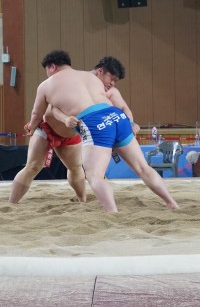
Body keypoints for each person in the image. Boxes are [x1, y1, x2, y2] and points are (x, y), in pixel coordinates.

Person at [26, 50, 179, 213]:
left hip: (94, 122)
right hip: (117, 117)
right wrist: (131, 123)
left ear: (52, 67)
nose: (112, 83)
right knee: (143, 168)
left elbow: (39, 113)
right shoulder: (90, 78)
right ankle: (171, 202)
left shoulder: (47, 85)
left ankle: (112, 211)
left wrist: (32, 127)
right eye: (111, 78)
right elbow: (122, 107)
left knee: (94, 176)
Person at [9, 56, 137, 204]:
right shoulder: (77, 79)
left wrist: (131, 123)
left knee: (76, 167)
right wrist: (62, 119)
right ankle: (12, 203)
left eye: (115, 81)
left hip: (73, 133)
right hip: (48, 127)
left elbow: (123, 108)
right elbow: (52, 106)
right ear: (101, 71)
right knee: (33, 166)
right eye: (111, 79)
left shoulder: (110, 91)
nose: (112, 84)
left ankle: (82, 199)